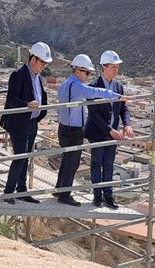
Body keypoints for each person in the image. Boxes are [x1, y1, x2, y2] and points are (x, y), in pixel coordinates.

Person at [55, 54, 128, 206]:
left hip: (63, 128)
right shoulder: (78, 86)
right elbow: (97, 93)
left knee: (66, 161)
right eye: (86, 73)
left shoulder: (64, 84)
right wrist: (115, 96)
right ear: (77, 71)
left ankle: (59, 189)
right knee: (72, 163)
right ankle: (65, 195)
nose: (88, 76)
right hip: (73, 130)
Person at [0, 42, 52, 204]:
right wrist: (27, 105)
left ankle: (21, 191)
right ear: (34, 59)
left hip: (31, 123)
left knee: (26, 157)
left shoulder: (38, 77)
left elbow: (41, 96)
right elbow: (12, 99)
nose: (44, 66)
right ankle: (8, 192)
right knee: (20, 157)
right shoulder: (18, 75)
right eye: (43, 62)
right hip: (19, 123)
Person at [84, 50, 134, 210]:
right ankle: (97, 196)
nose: (116, 70)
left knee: (109, 165)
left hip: (113, 133)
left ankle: (108, 196)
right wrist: (109, 130)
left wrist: (127, 124)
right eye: (113, 67)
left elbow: (123, 108)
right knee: (96, 163)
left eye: (117, 67)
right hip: (99, 133)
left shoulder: (118, 86)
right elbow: (93, 114)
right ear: (103, 67)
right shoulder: (92, 87)